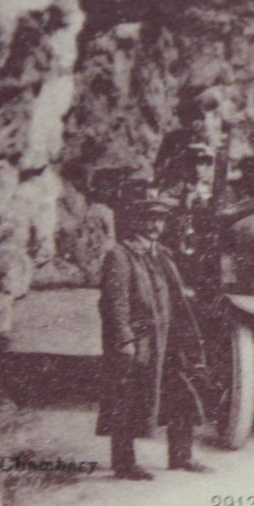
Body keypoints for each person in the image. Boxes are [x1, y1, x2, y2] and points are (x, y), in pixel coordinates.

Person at [96, 196, 211, 480]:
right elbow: (115, 302)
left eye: (160, 220)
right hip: (141, 342)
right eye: (149, 219)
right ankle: (124, 463)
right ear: (135, 221)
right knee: (127, 398)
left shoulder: (163, 255)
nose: (155, 225)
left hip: (168, 340)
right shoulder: (120, 255)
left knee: (182, 395)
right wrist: (125, 340)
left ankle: (181, 456)